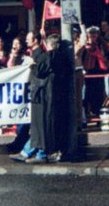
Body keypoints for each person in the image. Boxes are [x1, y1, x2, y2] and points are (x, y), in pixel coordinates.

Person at [23, 33, 74, 163]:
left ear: (48, 44)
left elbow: (39, 72)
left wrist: (32, 64)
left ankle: (41, 154)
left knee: (42, 126)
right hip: (59, 95)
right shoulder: (65, 58)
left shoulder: (48, 56)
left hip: (46, 96)